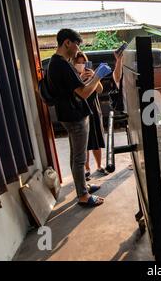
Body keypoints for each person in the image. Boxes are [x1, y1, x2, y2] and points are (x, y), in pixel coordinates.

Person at [48, 28, 112, 207]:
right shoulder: (61, 64)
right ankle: (83, 196)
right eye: (76, 44)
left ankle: (82, 186)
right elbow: (83, 93)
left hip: (68, 114)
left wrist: (92, 79)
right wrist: (98, 76)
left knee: (76, 155)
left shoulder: (57, 63)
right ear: (67, 42)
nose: (77, 49)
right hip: (74, 116)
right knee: (79, 158)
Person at [72, 52, 108, 180]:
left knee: (97, 140)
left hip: (94, 110)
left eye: (83, 62)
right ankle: (87, 168)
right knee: (84, 143)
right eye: (78, 62)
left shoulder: (93, 74)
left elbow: (100, 90)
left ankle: (99, 165)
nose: (81, 65)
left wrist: (95, 77)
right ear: (74, 63)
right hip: (82, 112)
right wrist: (80, 78)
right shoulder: (73, 76)